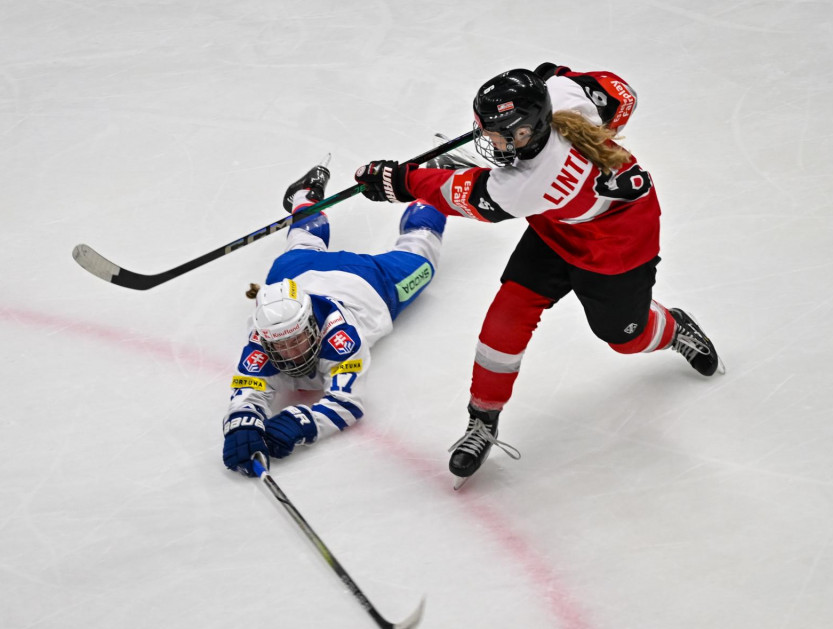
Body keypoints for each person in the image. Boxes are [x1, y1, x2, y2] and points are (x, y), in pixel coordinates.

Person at [353, 63, 724, 489]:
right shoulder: (562, 94)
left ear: (527, 131)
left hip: (616, 249)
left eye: (497, 136)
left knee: (626, 338)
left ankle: (673, 328)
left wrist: (400, 182)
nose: (488, 142)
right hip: (559, 225)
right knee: (506, 318)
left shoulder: (529, 184)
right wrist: (554, 76)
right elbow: (620, 93)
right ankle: (483, 420)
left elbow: (464, 196)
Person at [222, 159, 447, 476]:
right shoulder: (262, 339)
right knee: (303, 242)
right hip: (295, 275)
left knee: (422, 253)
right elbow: (248, 392)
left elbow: (347, 402)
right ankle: (304, 195)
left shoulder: (341, 337)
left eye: (297, 339)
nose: (291, 352)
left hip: (371, 279)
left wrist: (303, 423)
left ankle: (437, 178)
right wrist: (241, 423)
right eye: (281, 345)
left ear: (312, 325)